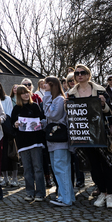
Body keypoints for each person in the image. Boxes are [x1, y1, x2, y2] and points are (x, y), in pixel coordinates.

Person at [69, 65, 112, 209]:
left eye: (83, 73)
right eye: (77, 73)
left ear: (88, 74)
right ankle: (102, 191)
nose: (79, 75)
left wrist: (103, 105)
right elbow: (72, 115)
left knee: (106, 163)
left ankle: (110, 194)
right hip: (83, 133)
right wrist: (68, 107)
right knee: (93, 165)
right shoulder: (71, 93)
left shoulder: (100, 90)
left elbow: (111, 110)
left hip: (101, 132)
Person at [10, 84, 46, 203]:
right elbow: (12, 126)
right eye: (23, 93)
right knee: (27, 169)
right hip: (23, 142)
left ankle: (40, 193)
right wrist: (15, 125)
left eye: (27, 92)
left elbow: (41, 120)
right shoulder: (16, 109)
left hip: (35, 141)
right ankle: (30, 192)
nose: (26, 94)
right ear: (19, 95)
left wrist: (38, 124)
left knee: (38, 168)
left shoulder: (35, 106)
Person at [43, 76, 74, 207]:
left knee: (62, 169)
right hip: (53, 141)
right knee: (58, 169)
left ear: (52, 85)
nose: (44, 86)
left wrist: (46, 96)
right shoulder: (55, 99)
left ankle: (65, 199)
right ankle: (67, 196)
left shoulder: (59, 99)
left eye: (46, 84)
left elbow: (52, 114)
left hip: (60, 140)